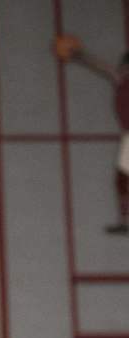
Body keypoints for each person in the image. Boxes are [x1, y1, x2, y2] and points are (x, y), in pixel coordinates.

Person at [56, 34, 129, 233]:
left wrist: (79, 55)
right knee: (122, 180)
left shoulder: (123, 79)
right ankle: (123, 221)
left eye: (124, 66)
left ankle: (124, 221)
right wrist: (79, 55)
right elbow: (102, 67)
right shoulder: (121, 80)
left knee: (122, 179)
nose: (121, 69)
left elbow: (103, 67)